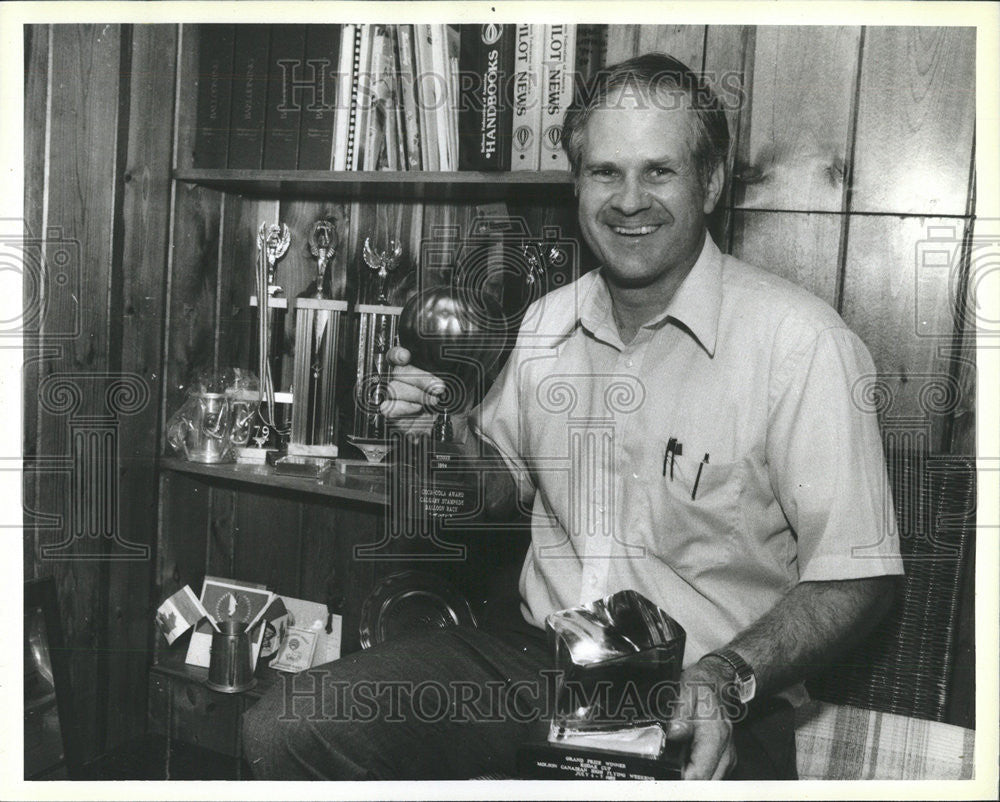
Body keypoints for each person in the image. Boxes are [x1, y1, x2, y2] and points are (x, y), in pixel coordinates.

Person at [242, 53, 903, 781]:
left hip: (706, 693)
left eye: (659, 171)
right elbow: (496, 487)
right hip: (535, 664)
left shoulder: (803, 345)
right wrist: (442, 432)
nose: (629, 200)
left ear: (710, 183)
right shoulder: (546, 324)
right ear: (576, 183)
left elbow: (857, 576)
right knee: (286, 728)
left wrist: (724, 677)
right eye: (604, 172)